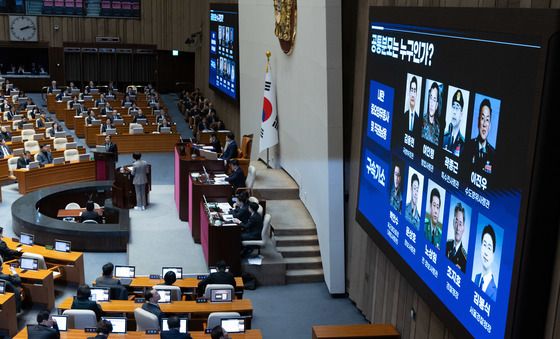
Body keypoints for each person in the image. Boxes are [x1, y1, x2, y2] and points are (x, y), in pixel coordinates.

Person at [464, 99, 495, 174]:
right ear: (478, 121)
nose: (484, 124)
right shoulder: (468, 146)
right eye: (482, 118)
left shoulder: (493, 154)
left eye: (487, 120)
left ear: (490, 125)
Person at [474, 224, 498, 301]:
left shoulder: (495, 293)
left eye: (489, 248)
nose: (486, 252)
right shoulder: (476, 278)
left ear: (493, 254)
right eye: (484, 245)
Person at [442, 89, 466, 157]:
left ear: (461, 114)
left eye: (457, 108)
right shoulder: (444, 137)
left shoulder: (463, 144)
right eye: (453, 107)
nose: (454, 112)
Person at [446, 203, 468, 273]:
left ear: (464, 228)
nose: (458, 228)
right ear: (453, 223)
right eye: (456, 222)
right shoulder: (446, 244)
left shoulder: (465, 259)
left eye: (460, 224)